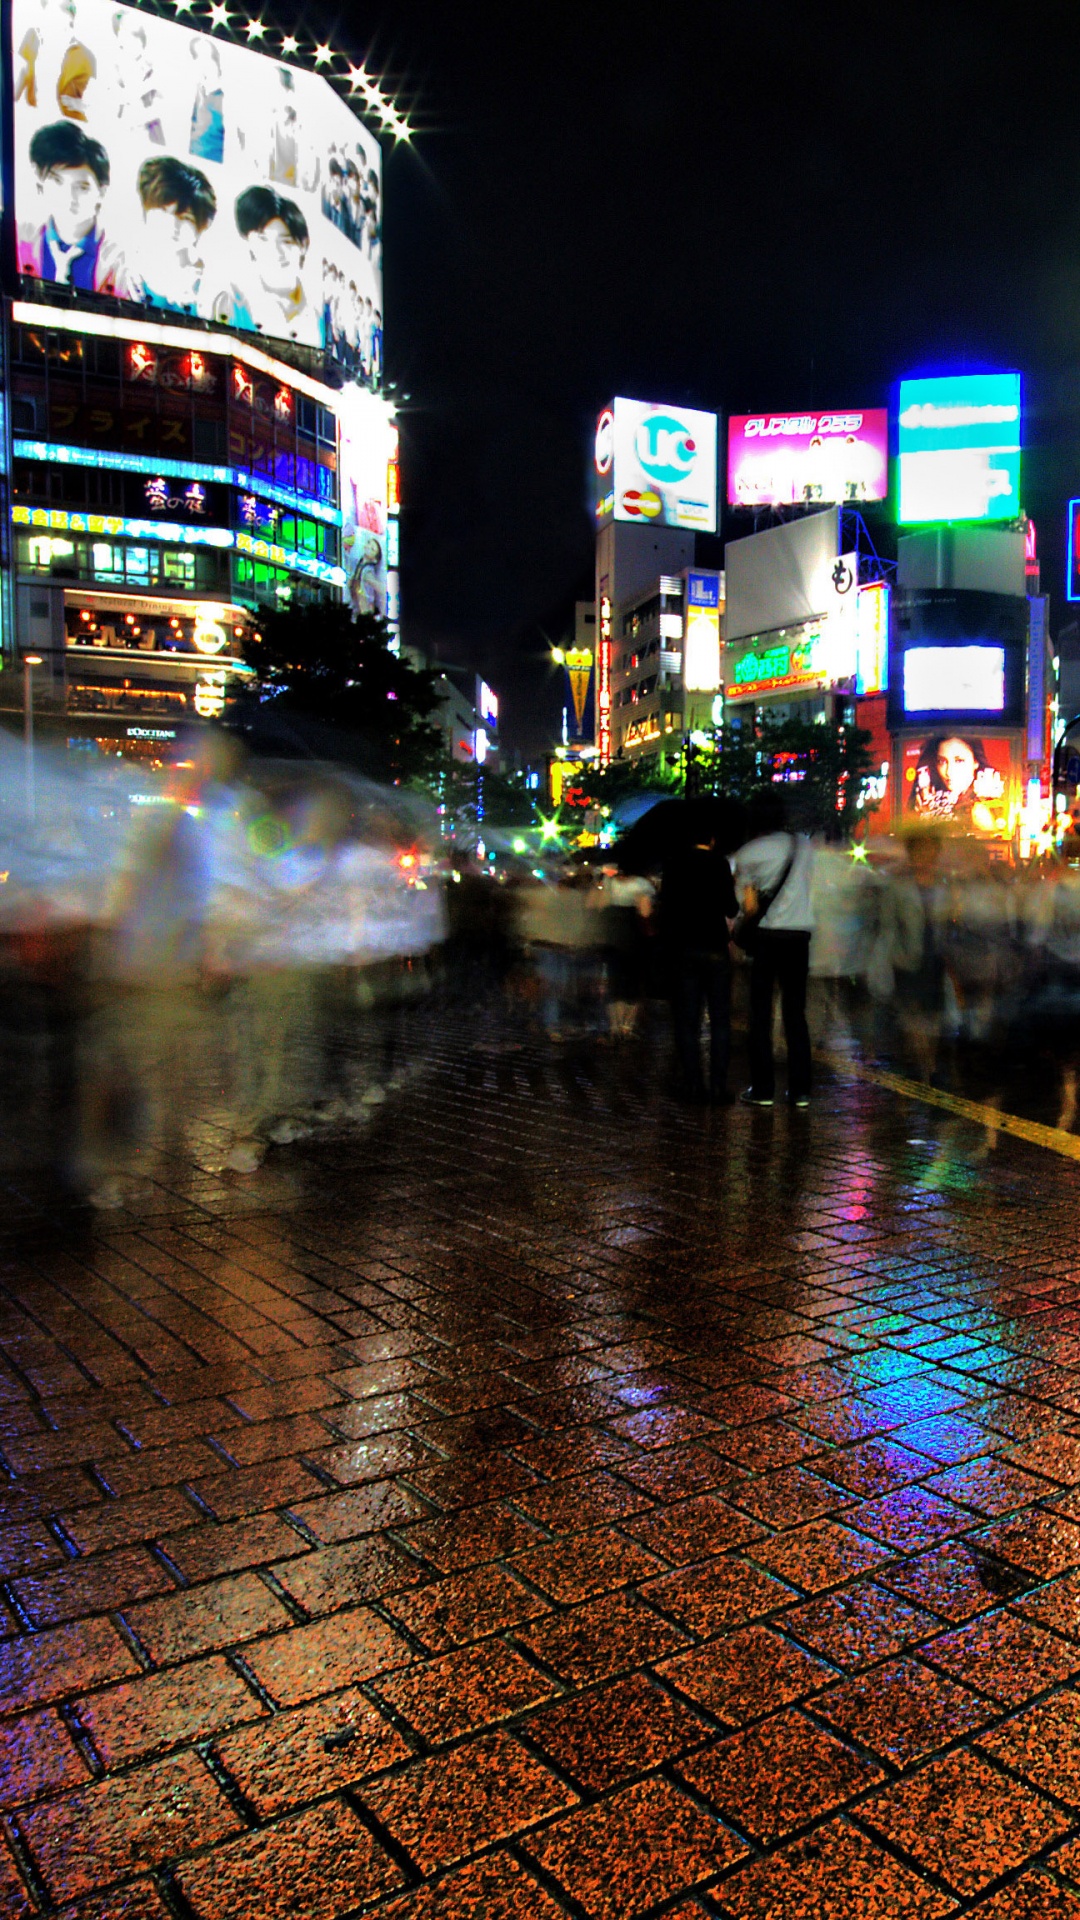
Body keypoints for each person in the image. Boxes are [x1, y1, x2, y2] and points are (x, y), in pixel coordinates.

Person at [734, 797, 815, 1107]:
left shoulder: (749, 852)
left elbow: (750, 906)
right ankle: (801, 1090)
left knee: (761, 1013)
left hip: (768, 937)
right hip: (799, 936)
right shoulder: (804, 845)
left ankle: (763, 1088)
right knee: (795, 1013)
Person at [659, 809, 738, 1103]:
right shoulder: (720, 864)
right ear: (712, 839)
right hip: (715, 946)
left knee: (687, 1020)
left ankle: (693, 1083)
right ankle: (718, 1085)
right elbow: (731, 908)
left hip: (683, 949)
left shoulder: (674, 864)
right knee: (720, 1020)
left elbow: (666, 907)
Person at [18, 120, 124, 292]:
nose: (69, 197)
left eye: (82, 187)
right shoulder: (19, 240)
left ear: (102, 192)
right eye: (57, 181)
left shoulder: (119, 263)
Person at [214, 186, 320, 346]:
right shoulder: (232, 303)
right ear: (249, 243)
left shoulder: (319, 320)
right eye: (263, 240)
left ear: (303, 245)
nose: (276, 252)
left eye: (286, 241)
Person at [131, 154, 216, 314]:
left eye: (185, 218)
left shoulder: (210, 287)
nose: (174, 225)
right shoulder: (127, 272)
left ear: (201, 226)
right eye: (164, 211)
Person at [910, 734, 1001, 824]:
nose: (949, 772)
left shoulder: (994, 795)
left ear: (975, 761)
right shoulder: (927, 797)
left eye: (959, 761)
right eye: (942, 761)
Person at [188, 35, 224, 164]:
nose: (202, 65)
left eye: (207, 59)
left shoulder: (222, 102)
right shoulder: (195, 95)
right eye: (197, 58)